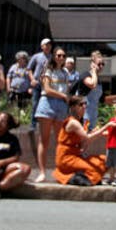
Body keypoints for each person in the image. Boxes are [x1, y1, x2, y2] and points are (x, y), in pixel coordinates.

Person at [33, 47, 72, 183]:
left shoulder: (66, 72)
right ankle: (42, 172)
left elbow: (67, 89)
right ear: (54, 56)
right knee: (44, 140)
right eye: (58, 55)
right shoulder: (48, 70)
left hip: (61, 106)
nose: (61, 58)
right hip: (48, 103)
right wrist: (63, 95)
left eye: (63, 55)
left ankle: (59, 171)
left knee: (60, 140)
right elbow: (47, 89)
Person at [53, 97, 111, 186]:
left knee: (105, 160)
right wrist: (106, 126)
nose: (84, 106)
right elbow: (87, 137)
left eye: (85, 104)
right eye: (80, 104)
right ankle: (75, 177)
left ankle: (81, 176)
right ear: (73, 107)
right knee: (92, 168)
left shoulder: (79, 122)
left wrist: (100, 133)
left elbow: (85, 142)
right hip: (66, 158)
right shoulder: (73, 123)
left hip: (76, 155)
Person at [27, 39, 51, 128]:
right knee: (35, 103)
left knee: (47, 104)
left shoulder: (52, 57)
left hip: (47, 84)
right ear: (42, 46)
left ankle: (44, 124)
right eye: (46, 45)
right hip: (37, 83)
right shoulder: (36, 56)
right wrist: (32, 79)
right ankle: (33, 124)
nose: (48, 47)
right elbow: (29, 68)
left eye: (49, 45)